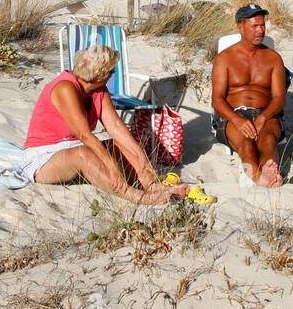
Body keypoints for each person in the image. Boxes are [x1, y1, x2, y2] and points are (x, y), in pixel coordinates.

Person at [23, 44, 190, 205]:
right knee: (83, 153)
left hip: (77, 147)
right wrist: (112, 168)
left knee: (122, 146)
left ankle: (153, 186)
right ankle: (135, 196)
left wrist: (140, 156)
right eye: (111, 71)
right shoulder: (65, 88)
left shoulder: (98, 90)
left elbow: (115, 126)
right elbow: (85, 135)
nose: (113, 73)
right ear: (99, 74)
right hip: (44, 156)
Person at [211, 3, 288, 187]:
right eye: (255, 26)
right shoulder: (225, 58)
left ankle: (269, 168)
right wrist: (237, 119)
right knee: (246, 145)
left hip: (266, 113)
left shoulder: (273, 58)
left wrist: (262, 118)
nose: (260, 30)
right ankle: (257, 177)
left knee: (268, 141)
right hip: (234, 114)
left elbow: (279, 98)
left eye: (262, 25)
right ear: (240, 26)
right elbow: (217, 99)